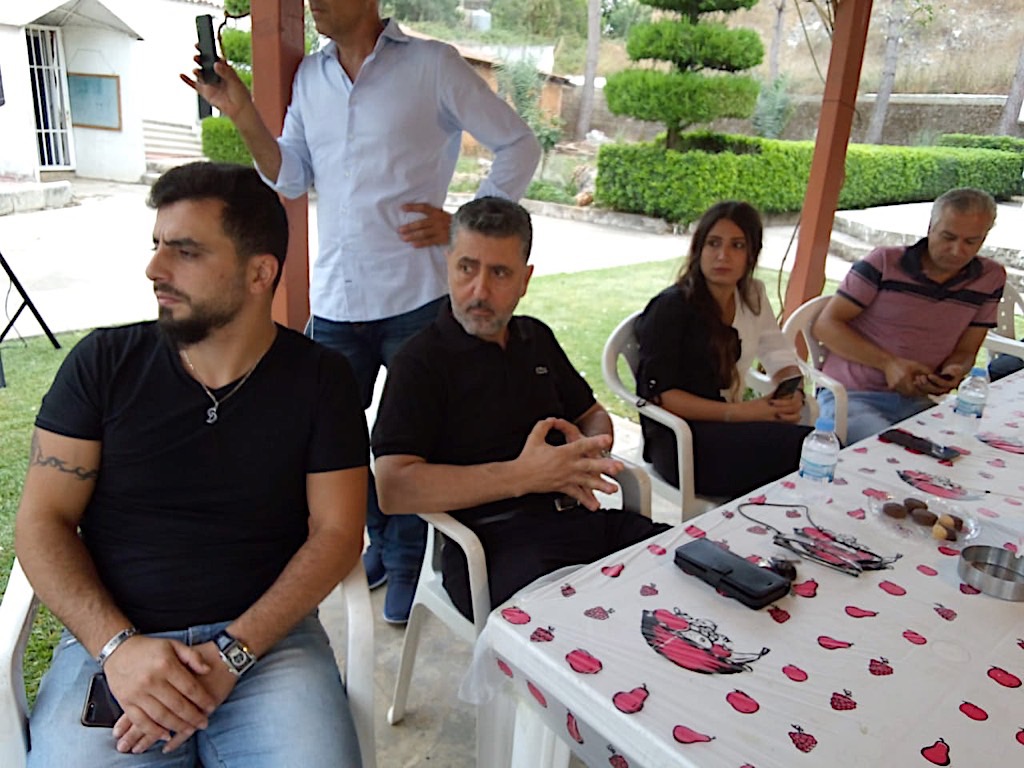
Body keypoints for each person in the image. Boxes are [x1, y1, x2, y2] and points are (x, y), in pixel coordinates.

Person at [183, 2, 541, 624]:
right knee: (335, 441)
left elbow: (520, 144)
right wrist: (241, 112)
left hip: (414, 299)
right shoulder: (311, 77)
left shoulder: (431, 65)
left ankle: (406, 563)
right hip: (337, 299)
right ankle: (379, 543)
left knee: (410, 446)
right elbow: (291, 177)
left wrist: (463, 226)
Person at [15, 163, 368, 766]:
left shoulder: (320, 380)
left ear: (260, 273)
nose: (155, 268)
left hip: (266, 646)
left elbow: (338, 533)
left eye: (185, 252)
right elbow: (42, 520)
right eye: (156, 245)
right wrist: (118, 648)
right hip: (116, 642)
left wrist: (233, 653)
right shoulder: (103, 365)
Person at [371, 197, 670, 620]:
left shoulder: (535, 338)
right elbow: (393, 487)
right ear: (448, 264)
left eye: (499, 273)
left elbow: (592, 415)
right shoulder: (420, 362)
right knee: (587, 629)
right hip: (490, 549)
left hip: (579, 522)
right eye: (467, 268)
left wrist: (585, 452)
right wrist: (525, 476)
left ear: (524, 280)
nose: (479, 291)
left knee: (688, 568)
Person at [633, 200, 812, 498]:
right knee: (810, 453)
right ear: (699, 249)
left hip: (731, 431)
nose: (722, 256)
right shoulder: (670, 307)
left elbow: (777, 352)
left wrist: (790, 392)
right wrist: (742, 413)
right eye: (713, 243)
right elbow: (661, 395)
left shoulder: (752, 295)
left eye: (737, 246)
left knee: (816, 452)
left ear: (751, 254)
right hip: (681, 442)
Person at [813, 187, 1006, 445]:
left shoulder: (989, 278)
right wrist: (889, 364)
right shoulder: (884, 263)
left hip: (917, 400)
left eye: (971, 242)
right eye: (948, 237)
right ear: (930, 227)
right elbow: (825, 326)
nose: (957, 250)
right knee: (893, 451)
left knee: (964, 450)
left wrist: (953, 371)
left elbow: (967, 349)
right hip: (851, 394)